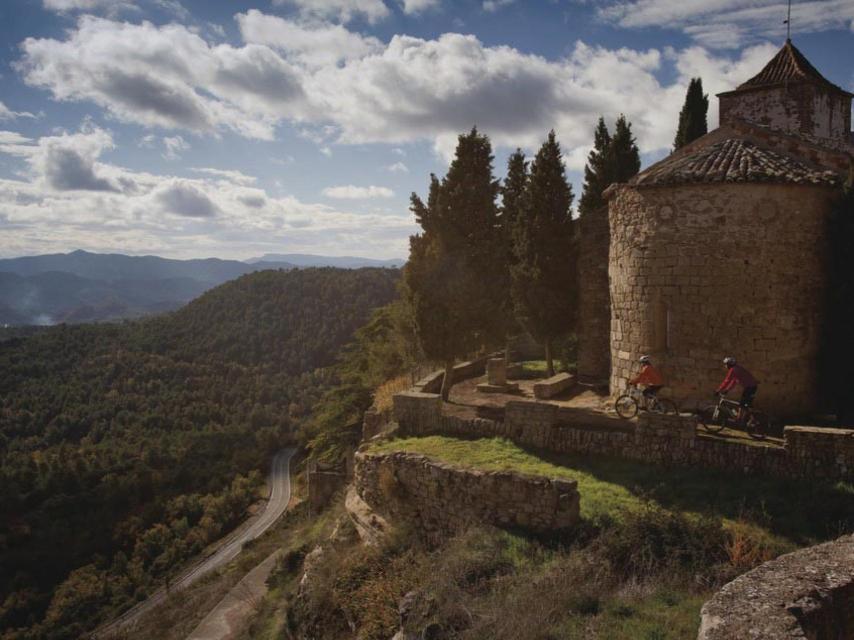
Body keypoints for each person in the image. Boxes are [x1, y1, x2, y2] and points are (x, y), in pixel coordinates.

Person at [716, 357, 758, 423]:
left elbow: (727, 381)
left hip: (750, 387)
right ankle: (748, 418)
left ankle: (740, 419)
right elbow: (734, 381)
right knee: (746, 404)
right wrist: (727, 390)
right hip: (752, 387)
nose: (725, 366)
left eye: (726, 364)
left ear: (729, 364)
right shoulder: (737, 368)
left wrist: (718, 390)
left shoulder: (733, 370)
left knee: (742, 404)